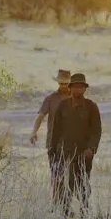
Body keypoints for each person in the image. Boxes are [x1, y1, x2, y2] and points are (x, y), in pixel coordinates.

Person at [51, 72, 102, 217]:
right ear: (70, 88)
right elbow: (56, 129)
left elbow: (96, 130)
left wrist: (91, 148)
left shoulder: (91, 107)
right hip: (65, 150)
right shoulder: (63, 106)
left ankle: (84, 209)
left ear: (85, 89)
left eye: (81, 87)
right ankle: (64, 212)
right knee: (66, 180)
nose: (77, 89)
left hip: (85, 153)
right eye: (75, 86)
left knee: (83, 181)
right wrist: (53, 149)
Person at [30, 68, 71, 207]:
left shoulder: (75, 98)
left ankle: (66, 204)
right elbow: (41, 116)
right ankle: (56, 203)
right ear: (58, 83)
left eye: (66, 83)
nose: (63, 86)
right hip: (53, 143)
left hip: (72, 143)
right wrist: (34, 132)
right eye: (61, 83)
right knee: (56, 173)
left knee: (69, 174)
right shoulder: (50, 99)